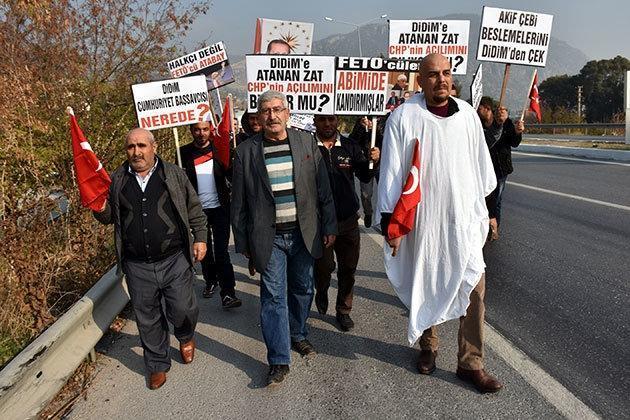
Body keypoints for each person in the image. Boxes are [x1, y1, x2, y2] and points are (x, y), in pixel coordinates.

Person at [378, 54, 502, 393]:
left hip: (464, 221)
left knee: (474, 288)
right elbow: (391, 173)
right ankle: (429, 346)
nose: (441, 80)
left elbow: (481, 170)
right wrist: (392, 225)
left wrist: (489, 212)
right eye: (433, 74)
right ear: (421, 80)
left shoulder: (467, 117)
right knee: (429, 278)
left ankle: (471, 362)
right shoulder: (404, 117)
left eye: (446, 73)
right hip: (425, 223)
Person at [231, 90, 337, 386]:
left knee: (303, 289)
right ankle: (278, 359)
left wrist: (329, 227)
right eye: (266, 111)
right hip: (270, 238)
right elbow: (238, 202)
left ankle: (298, 333)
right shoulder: (246, 152)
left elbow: (323, 190)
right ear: (259, 116)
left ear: (287, 113)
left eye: (277, 109)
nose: (272, 116)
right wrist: (244, 245)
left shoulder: (306, 142)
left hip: (305, 233)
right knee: (273, 297)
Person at [93, 128, 207, 390]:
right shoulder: (118, 180)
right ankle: (156, 364)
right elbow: (109, 216)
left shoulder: (174, 175)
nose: (137, 152)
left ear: (153, 147)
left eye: (142, 145)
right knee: (148, 317)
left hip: (174, 259)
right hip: (137, 264)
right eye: (131, 147)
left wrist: (200, 236)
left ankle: (185, 335)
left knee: (183, 307)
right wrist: (99, 208)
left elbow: (194, 208)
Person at [312, 114, 380, 331]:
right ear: (315, 121)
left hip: (348, 219)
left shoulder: (350, 146)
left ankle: (343, 310)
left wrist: (373, 161)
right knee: (323, 267)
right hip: (320, 221)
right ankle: (321, 290)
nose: (327, 124)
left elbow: (365, 176)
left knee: (348, 268)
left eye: (331, 120)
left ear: (337, 120)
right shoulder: (307, 147)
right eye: (322, 120)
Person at [179, 121, 242, 308]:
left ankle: (228, 292)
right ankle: (210, 281)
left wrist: (232, 164)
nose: (201, 133)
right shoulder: (182, 153)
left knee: (222, 252)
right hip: (198, 212)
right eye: (197, 129)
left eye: (205, 129)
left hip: (220, 209)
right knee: (203, 251)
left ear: (210, 130)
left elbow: (232, 177)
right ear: (191, 130)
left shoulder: (220, 150)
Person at [477, 97, 524, 239]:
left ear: (487, 108)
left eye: (479, 108)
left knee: (496, 199)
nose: (477, 111)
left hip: (500, 169)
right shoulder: (477, 124)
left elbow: (514, 142)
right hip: (483, 168)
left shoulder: (506, 122)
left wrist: (517, 132)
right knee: (483, 198)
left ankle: (494, 228)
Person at [349, 115, 386, 228]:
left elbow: (386, 139)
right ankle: (368, 212)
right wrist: (361, 127)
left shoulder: (386, 119)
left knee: (386, 193)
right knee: (366, 195)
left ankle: (385, 218)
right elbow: (352, 140)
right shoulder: (361, 119)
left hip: (382, 163)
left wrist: (375, 127)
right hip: (365, 164)